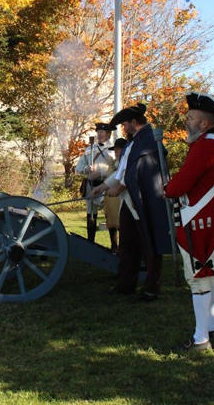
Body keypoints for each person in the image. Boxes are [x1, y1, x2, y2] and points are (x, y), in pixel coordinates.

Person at [164, 92, 214, 352]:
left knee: (199, 277)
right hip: (210, 216)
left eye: (191, 118)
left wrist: (168, 189)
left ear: (204, 123)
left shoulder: (206, 145)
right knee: (207, 276)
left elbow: (183, 181)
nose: (187, 122)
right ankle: (210, 328)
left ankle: (201, 338)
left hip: (200, 220)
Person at [92, 103, 170, 301]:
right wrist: (103, 186)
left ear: (134, 123)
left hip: (145, 200)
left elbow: (137, 173)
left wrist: (117, 189)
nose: (124, 129)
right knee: (127, 244)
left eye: (125, 125)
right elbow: (122, 171)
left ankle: (151, 288)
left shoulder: (149, 142)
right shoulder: (132, 143)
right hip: (130, 201)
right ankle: (126, 284)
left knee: (149, 244)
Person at [76, 123, 116, 243]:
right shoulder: (89, 150)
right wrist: (86, 169)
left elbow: (116, 169)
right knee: (91, 216)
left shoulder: (114, 149)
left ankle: (114, 247)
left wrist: (101, 173)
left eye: (102, 132)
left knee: (110, 216)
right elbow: (78, 168)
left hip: (107, 185)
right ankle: (90, 244)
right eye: (98, 132)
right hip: (91, 186)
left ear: (108, 134)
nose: (99, 135)